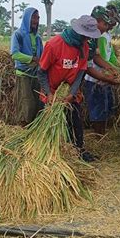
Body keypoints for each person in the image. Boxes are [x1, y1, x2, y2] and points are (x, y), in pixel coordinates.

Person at [37, 15, 101, 162]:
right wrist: (49, 93)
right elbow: (41, 72)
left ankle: (78, 151)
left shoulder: (84, 46)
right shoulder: (54, 45)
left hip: (71, 92)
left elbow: (80, 71)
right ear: (79, 32)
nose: (88, 40)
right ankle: (53, 155)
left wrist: (72, 93)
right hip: (53, 93)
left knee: (76, 123)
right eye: (86, 36)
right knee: (53, 126)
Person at [84, 7, 120, 134]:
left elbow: (97, 56)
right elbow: (89, 64)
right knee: (97, 109)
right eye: (105, 23)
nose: (108, 25)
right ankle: (98, 135)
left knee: (104, 108)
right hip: (93, 78)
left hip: (101, 77)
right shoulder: (90, 37)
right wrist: (106, 76)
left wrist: (111, 68)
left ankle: (102, 134)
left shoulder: (98, 36)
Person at [10, 7, 44, 126]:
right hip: (23, 74)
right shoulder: (18, 34)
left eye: (38, 18)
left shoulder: (38, 37)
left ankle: (33, 131)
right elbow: (15, 54)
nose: (36, 20)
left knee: (37, 104)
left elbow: (43, 55)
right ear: (26, 18)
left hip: (36, 74)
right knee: (26, 104)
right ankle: (23, 131)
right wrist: (33, 59)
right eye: (33, 17)